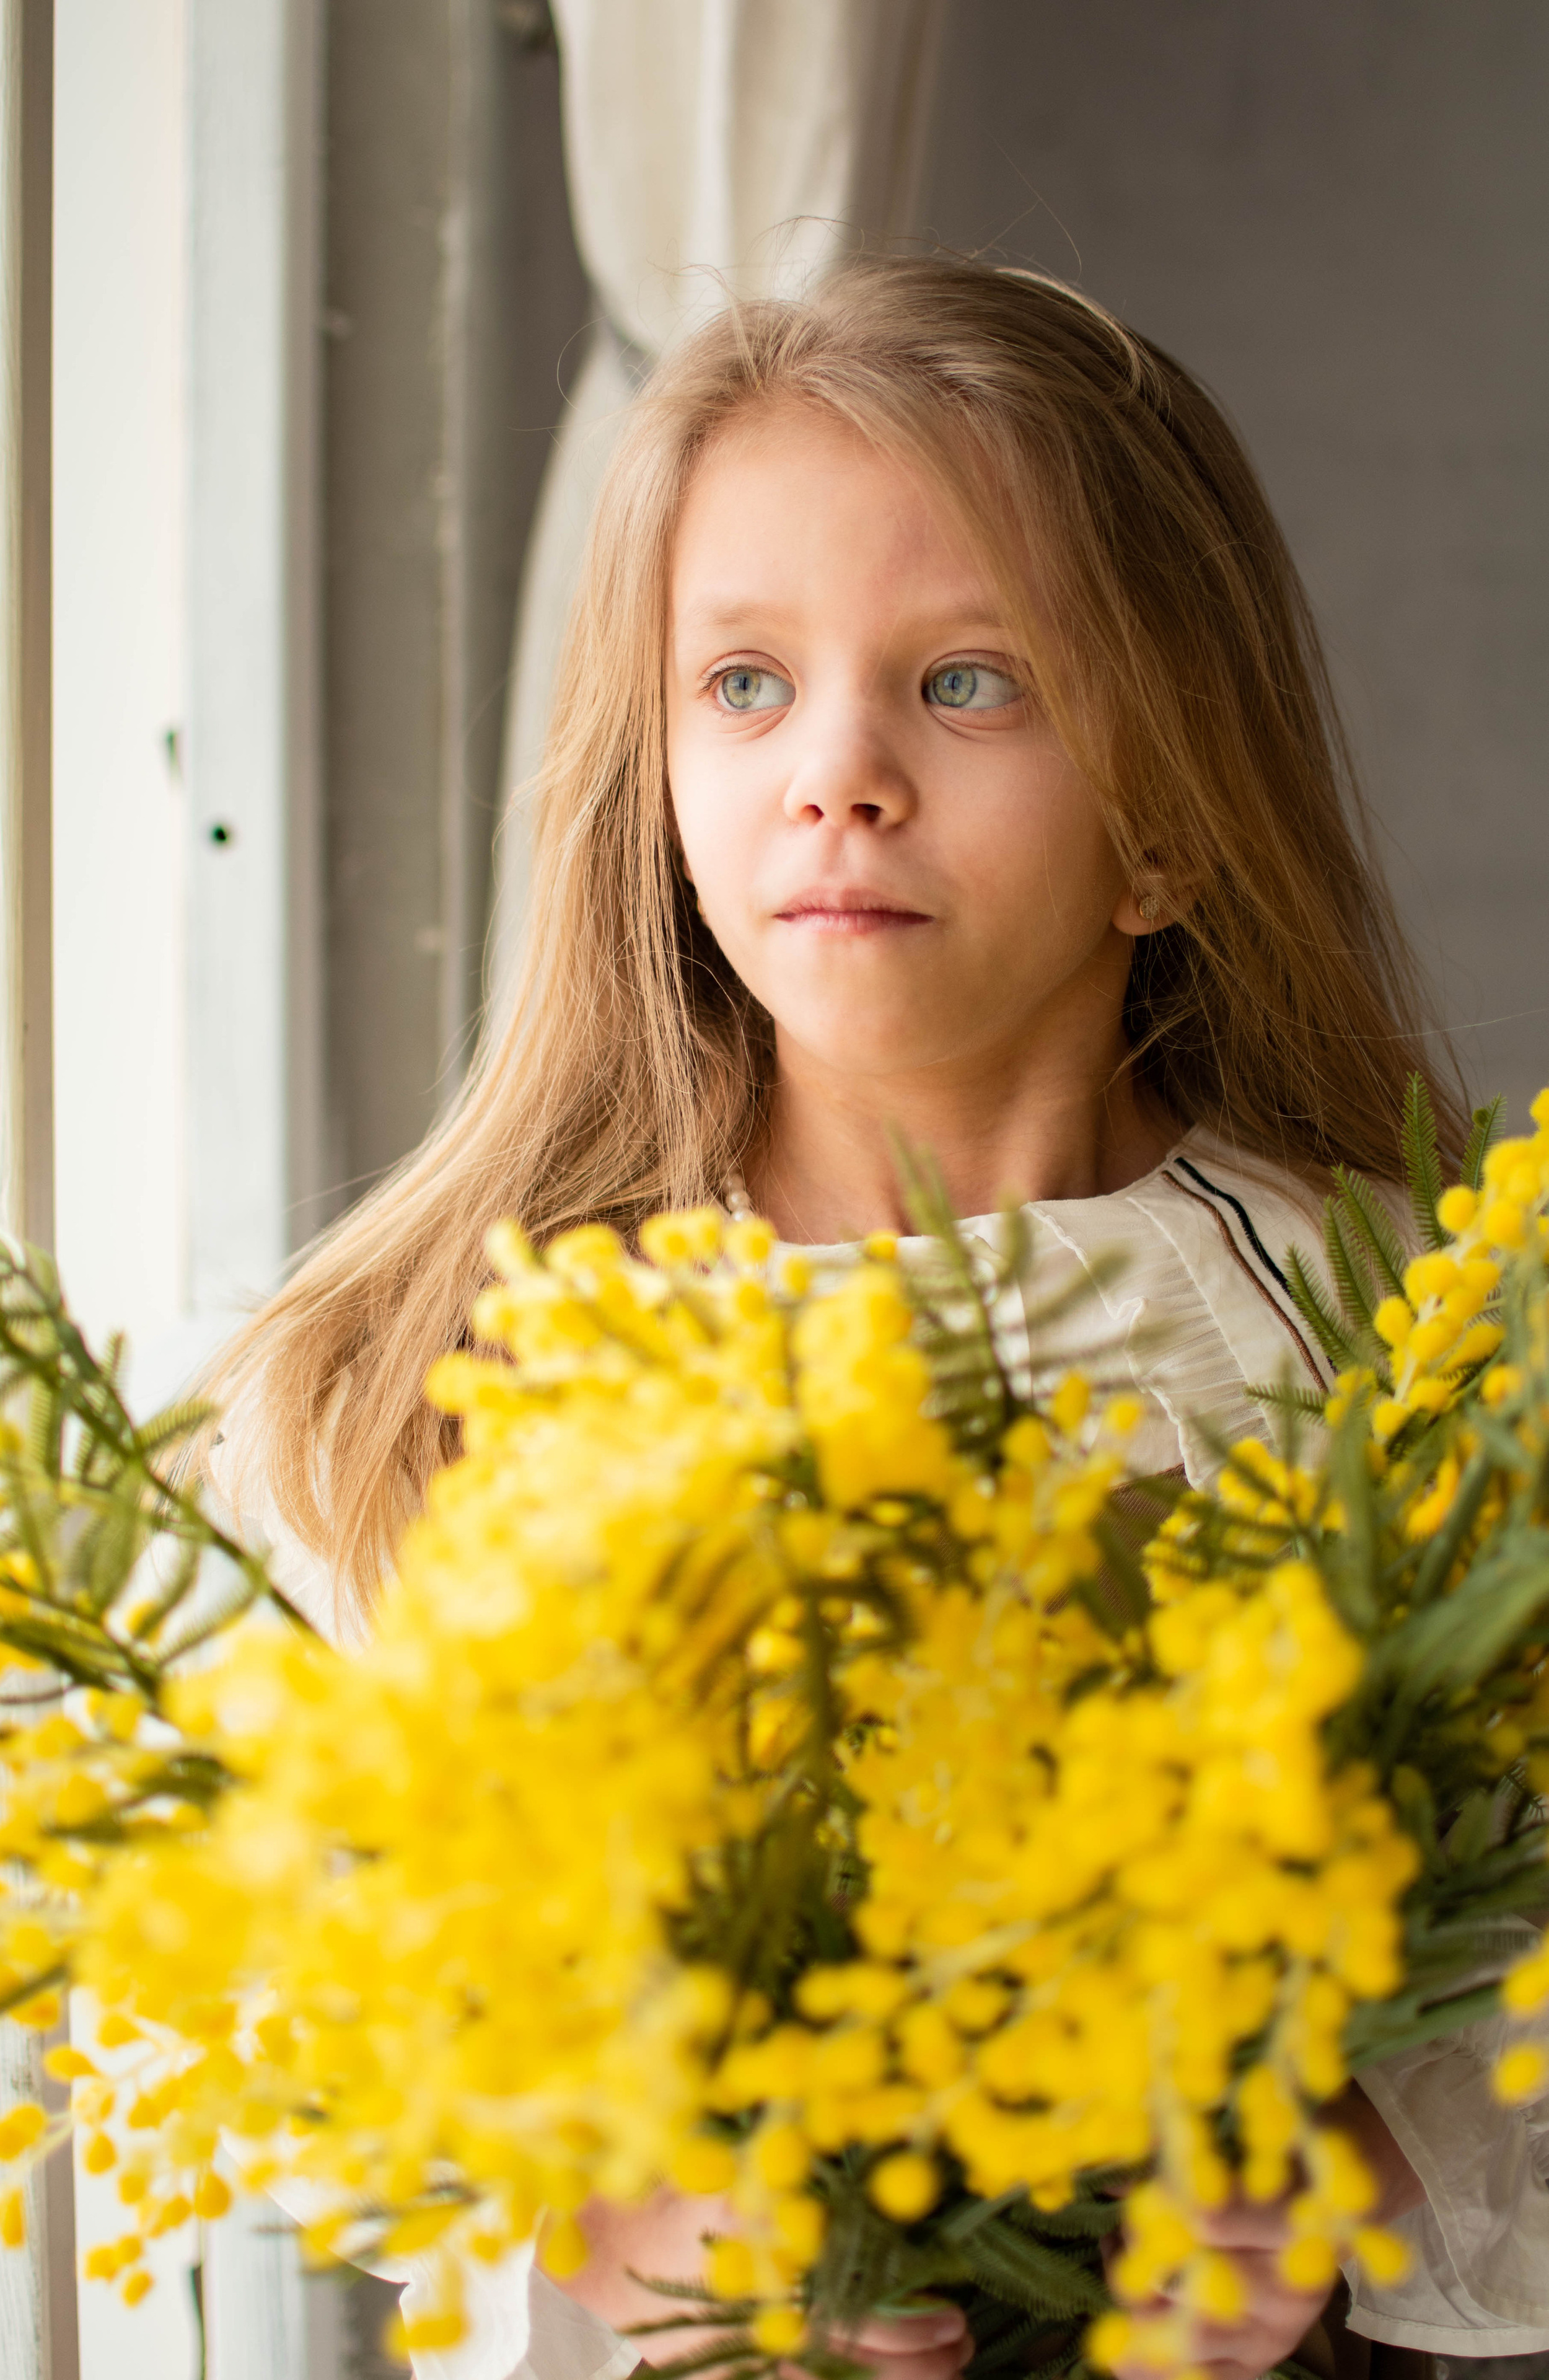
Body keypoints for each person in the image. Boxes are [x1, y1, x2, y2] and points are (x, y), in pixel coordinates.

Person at [206, 260, 1549, 2380]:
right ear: (651, 773)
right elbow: (246, 1970)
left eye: (970, 684)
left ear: (1174, 823)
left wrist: (1344, 2166)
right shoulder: (451, 1365)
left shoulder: (1390, 1349)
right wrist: (614, 2195)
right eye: (743, 685)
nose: (838, 771)